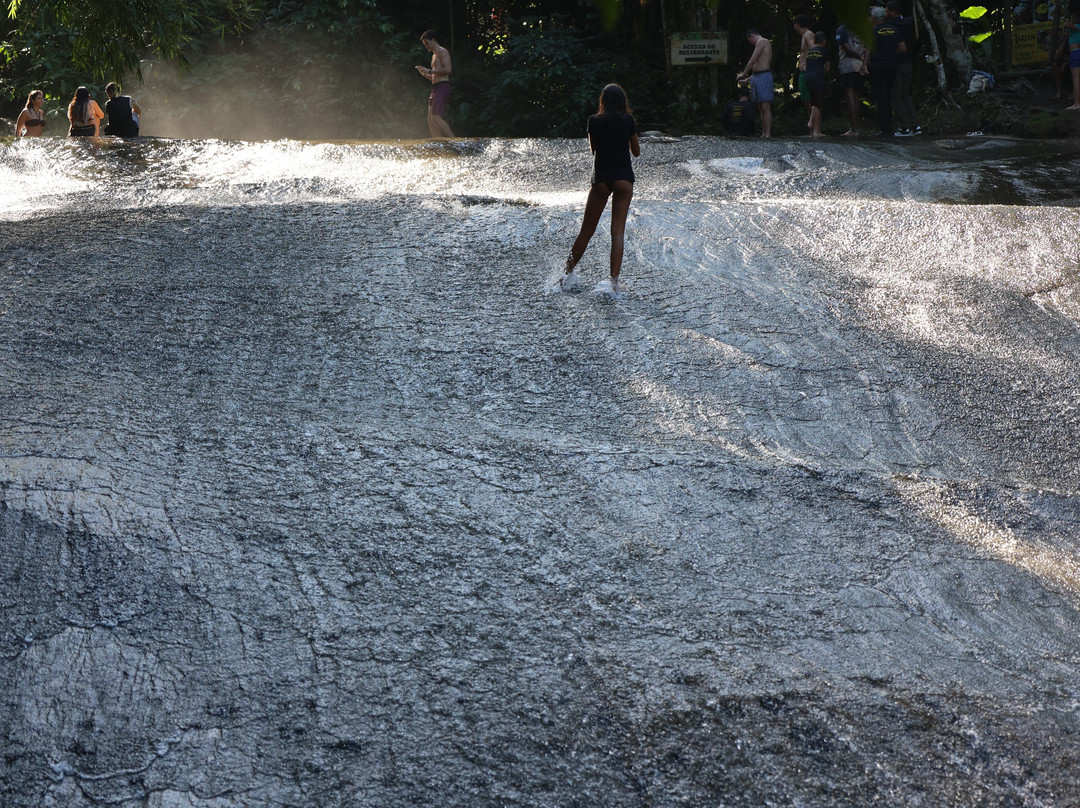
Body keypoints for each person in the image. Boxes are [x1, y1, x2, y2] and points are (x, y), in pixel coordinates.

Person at [561, 84, 640, 294]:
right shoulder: (628, 120)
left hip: (601, 179)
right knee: (618, 232)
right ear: (623, 101)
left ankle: (564, 276)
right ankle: (613, 283)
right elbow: (636, 152)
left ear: (602, 101)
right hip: (624, 179)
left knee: (586, 231)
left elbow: (593, 149)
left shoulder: (593, 121)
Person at [868, 7, 906, 137]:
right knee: (889, 96)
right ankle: (890, 128)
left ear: (873, 18)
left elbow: (868, 50)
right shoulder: (895, 30)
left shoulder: (873, 32)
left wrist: (864, 64)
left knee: (881, 97)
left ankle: (885, 129)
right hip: (892, 66)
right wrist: (891, 53)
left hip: (878, 66)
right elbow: (903, 48)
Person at [886, 1, 922, 135]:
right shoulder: (908, 23)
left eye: (887, 11)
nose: (886, 14)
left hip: (897, 64)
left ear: (893, 12)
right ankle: (916, 125)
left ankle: (904, 127)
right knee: (906, 95)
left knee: (896, 96)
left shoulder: (889, 26)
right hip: (908, 63)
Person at [414, 30, 455, 137]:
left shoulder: (442, 51)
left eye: (427, 43)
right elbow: (435, 76)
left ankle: (455, 141)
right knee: (430, 119)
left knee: (435, 117)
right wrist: (424, 73)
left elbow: (448, 69)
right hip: (435, 87)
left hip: (443, 86)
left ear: (433, 40)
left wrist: (430, 71)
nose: (426, 46)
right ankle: (437, 143)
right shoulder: (433, 56)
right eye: (424, 44)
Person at [736, 30, 774, 137]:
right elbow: (757, 67)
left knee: (765, 105)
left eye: (750, 41)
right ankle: (763, 132)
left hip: (764, 76)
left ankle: (768, 133)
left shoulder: (762, 41)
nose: (751, 43)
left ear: (751, 36)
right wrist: (747, 80)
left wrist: (743, 74)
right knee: (760, 106)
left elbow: (753, 60)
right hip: (756, 76)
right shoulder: (760, 44)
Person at [836, 22, 868, 136]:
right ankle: (855, 127)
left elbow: (848, 50)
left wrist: (859, 58)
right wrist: (864, 63)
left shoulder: (841, 30)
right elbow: (867, 48)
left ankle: (854, 128)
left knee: (850, 95)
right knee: (856, 95)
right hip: (859, 66)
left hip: (847, 65)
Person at [804, 32, 830, 137]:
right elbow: (828, 68)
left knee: (814, 102)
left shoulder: (809, 52)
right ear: (824, 42)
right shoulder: (824, 51)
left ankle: (811, 122)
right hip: (818, 78)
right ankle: (816, 130)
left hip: (808, 78)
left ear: (814, 41)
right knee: (818, 104)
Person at [793, 15, 816, 117]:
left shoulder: (808, 35)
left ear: (797, 25)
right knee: (807, 101)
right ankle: (813, 129)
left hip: (808, 72)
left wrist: (809, 67)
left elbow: (815, 51)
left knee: (810, 102)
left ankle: (816, 128)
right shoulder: (805, 36)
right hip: (804, 72)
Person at [1065, 15, 1080, 109]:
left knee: (1076, 79)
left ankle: (1077, 103)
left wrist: (1067, 20)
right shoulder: (1074, 29)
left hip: (1075, 53)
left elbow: (1065, 24)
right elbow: (1066, 34)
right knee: (1077, 79)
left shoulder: (1077, 26)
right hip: (1076, 53)